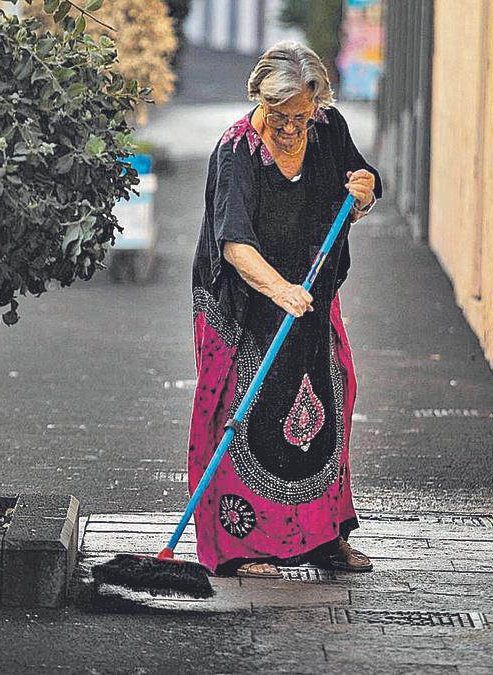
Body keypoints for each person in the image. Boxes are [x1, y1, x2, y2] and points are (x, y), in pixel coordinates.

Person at [188, 41, 382, 578]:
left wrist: (364, 194)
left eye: (302, 114)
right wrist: (280, 290)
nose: (293, 126)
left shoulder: (328, 127)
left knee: (330, 398)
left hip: (312, 292)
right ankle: (240, 546)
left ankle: (326, 536)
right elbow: (234, 244)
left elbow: (360, 184)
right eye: (281, 115)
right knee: (239, 414)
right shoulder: (237, 152)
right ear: (259, 99)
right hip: (243, 304)